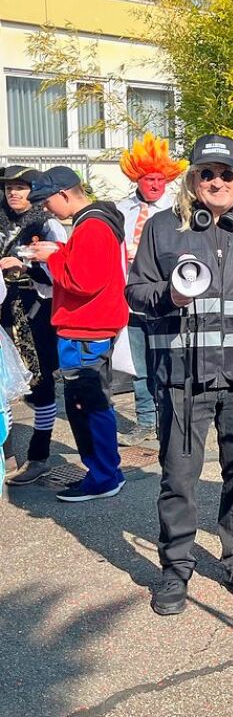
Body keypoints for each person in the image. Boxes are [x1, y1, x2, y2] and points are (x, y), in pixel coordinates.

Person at [126, 134, 233, 616]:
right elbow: (134, 294)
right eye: (207, 173)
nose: (216, 181)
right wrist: (169, 298)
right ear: (192, 179)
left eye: (226, 173)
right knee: (179, 477)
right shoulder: (162, 229)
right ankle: (176, 568)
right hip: (183, 378)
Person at [26, 166, 129, 502]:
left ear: (65, 194)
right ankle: (107, 471)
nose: (45, 209)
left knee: (88, 405)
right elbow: (87, 270)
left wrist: (53, 259)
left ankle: (103, 477)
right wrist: (57, 253)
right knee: (92, 403)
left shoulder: (92, 226)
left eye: (46, 201)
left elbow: (84, 281)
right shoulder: (95, 222)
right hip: (88, 329)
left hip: (85, 330)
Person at [115, 132, 186, 446]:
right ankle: (146, 419)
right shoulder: (120, 210)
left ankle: (168, 416)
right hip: (130, 298)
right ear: (137, 179)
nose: (155, 185)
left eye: (160, 178)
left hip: (164, 297)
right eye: (148, 179)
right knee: (138, 363)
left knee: (165, 361)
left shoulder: (179, 209)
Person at [0, 166, 66, 485]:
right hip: (3, 312)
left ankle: (39, 455)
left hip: (36, 311)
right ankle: (7, 452)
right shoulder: (1, 219)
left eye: (21, 187)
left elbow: (61, 270)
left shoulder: (47, 222)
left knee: (40, 383)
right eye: (9, 187)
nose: (13, 192)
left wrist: (22, 264)